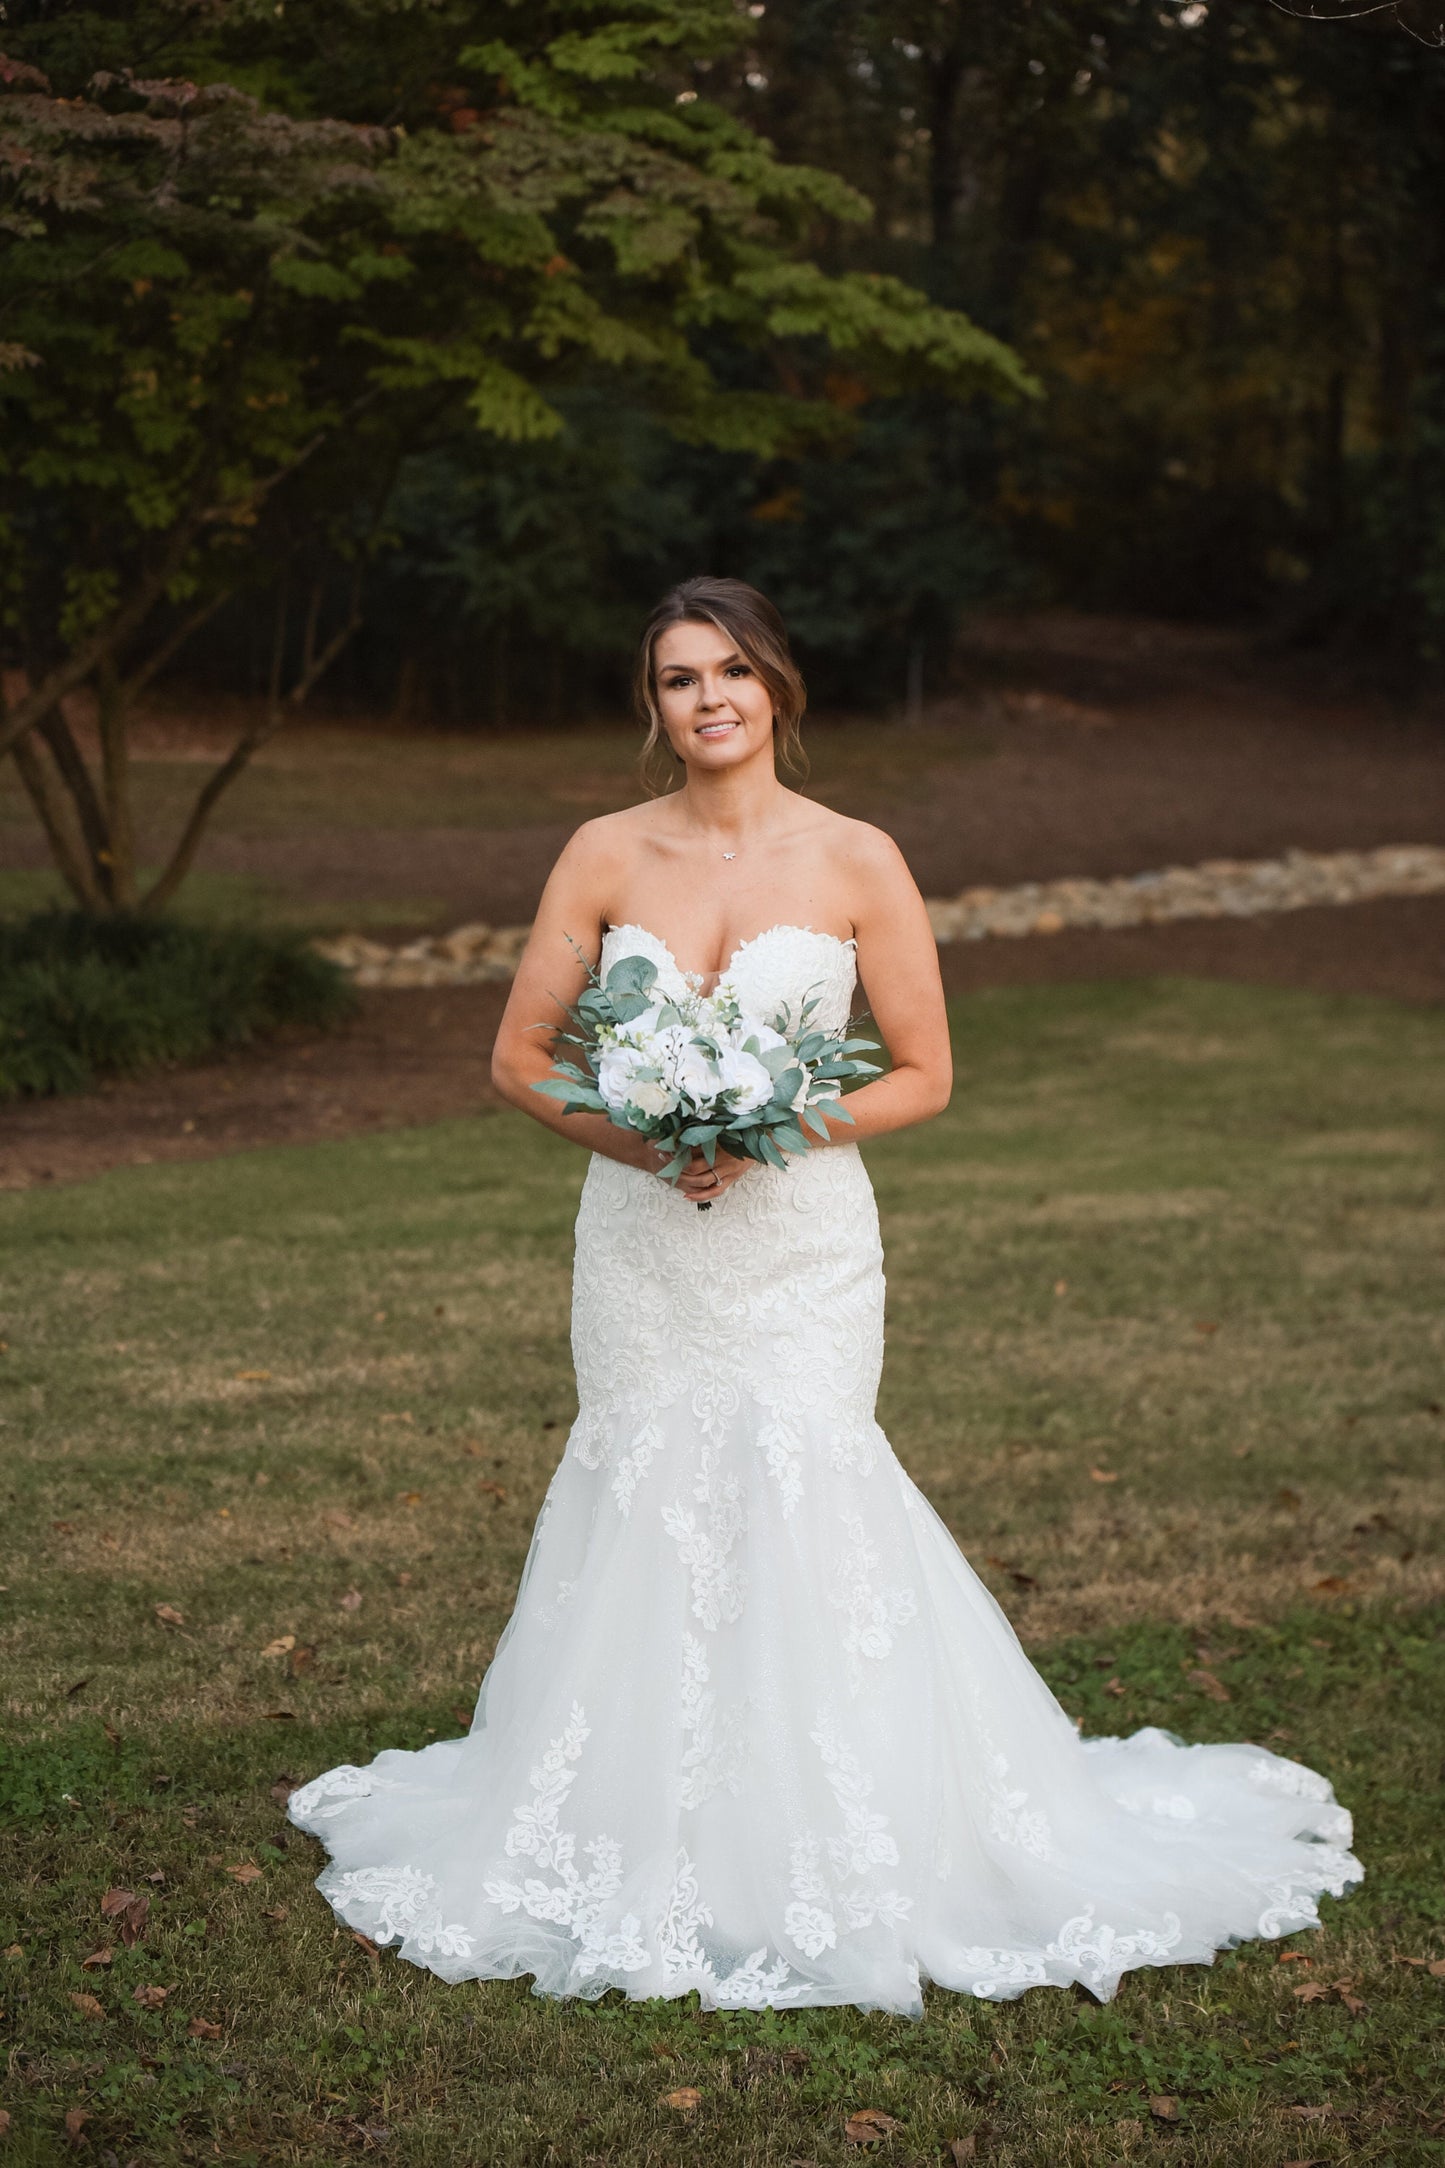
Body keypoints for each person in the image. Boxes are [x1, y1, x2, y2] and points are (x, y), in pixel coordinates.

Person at [288, 576, 1359, 2014]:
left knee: (804, 1481)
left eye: (732, 669)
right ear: (652, 706)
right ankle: (629, 1820)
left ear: (777, 688)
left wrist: (760, 1131)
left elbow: (922, 1070)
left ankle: (839, 1821)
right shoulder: (603, 853)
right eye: (678, 678)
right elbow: (521, 1057)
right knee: (648, 1482)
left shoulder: (857, 857)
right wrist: (655, 1139)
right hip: (645, 1238)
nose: (709, 697)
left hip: (798, 1241)